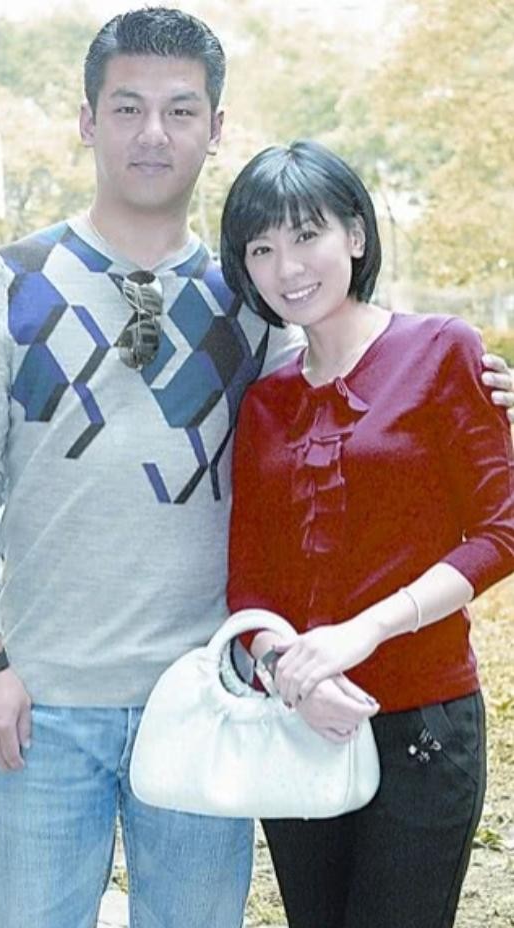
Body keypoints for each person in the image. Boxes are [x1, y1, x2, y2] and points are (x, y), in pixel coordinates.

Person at [0, 7, 511, 928]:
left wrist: (481, 387)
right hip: (44, 704)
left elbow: (355, 398)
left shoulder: (253, 305)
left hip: (208, 698)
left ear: (215, 127)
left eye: (180, 110)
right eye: (126, 107)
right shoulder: (8, 284)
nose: (152, 133)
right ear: (86, 121)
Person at [221, 139, 514, 928]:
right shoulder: (264, 402)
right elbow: (248, 582)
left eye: (306, 234)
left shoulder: (442, 350)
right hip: (300, 718)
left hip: (423, 724)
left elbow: (499, 531)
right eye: (261, 248)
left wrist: (364, 630)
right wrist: (289, 671)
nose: (287, 267)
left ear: (354, 234)